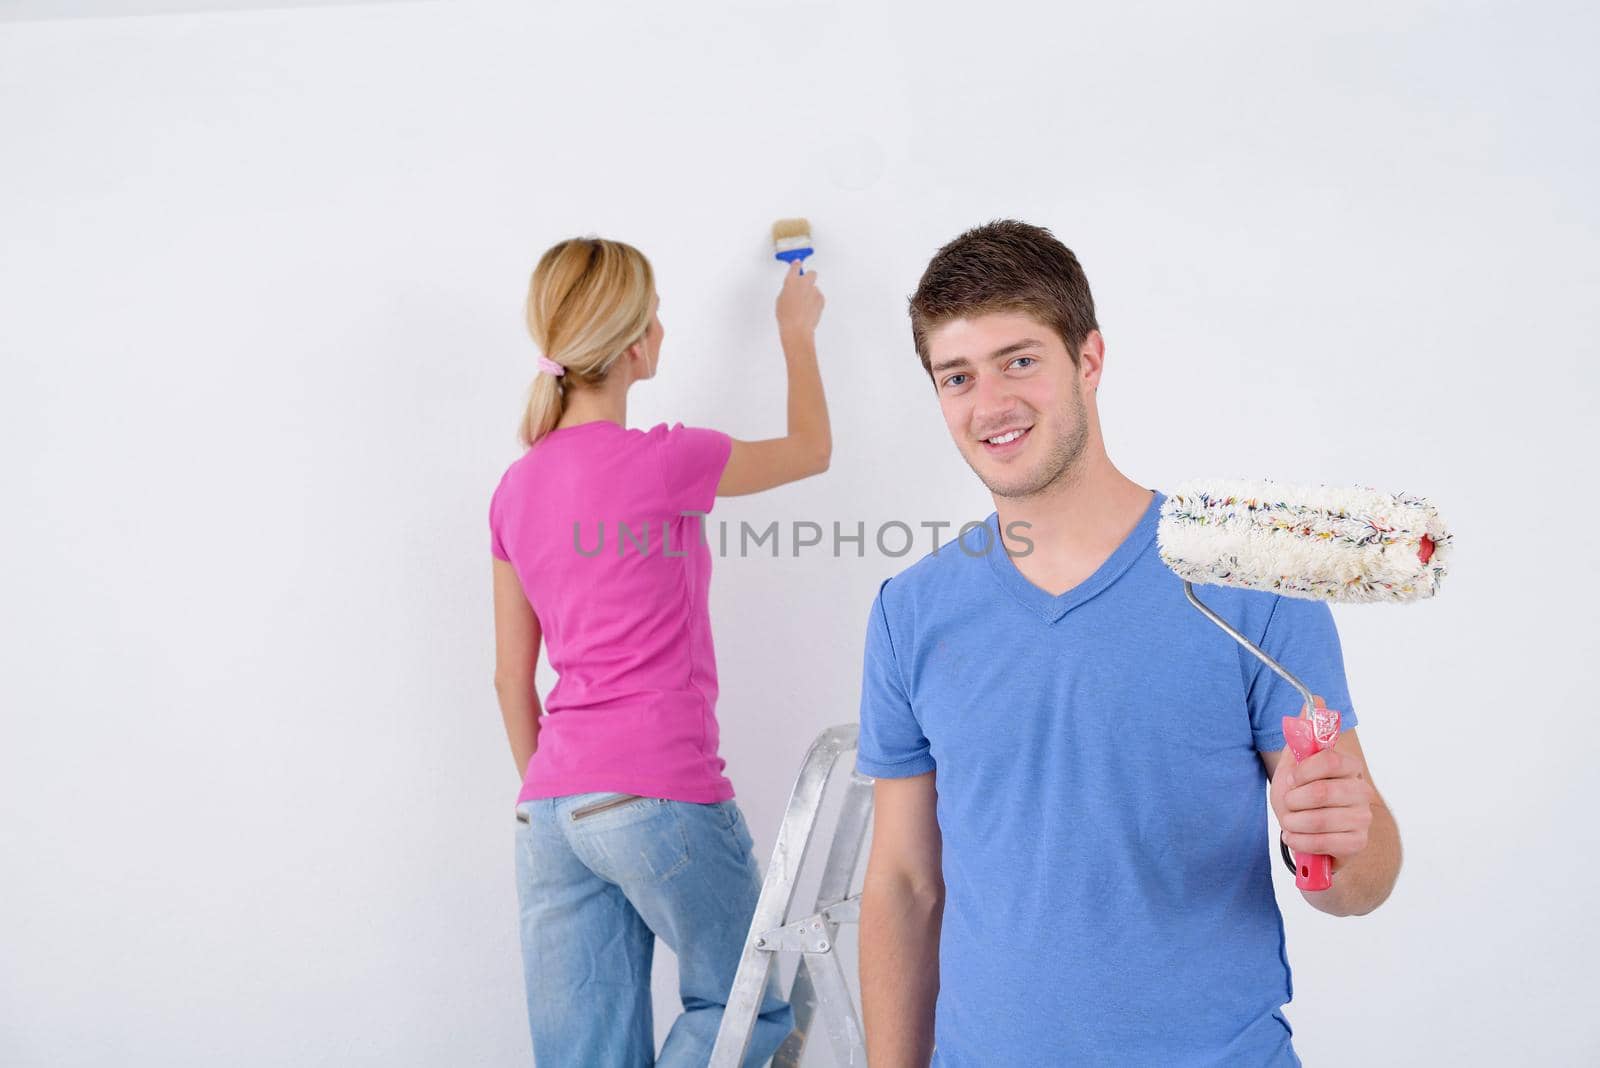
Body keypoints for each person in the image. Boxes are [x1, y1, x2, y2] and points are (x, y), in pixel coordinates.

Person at [855, 220, 1401, 1065]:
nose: (990, 402)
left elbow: (1361, 881)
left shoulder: (1247, 582)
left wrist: (1333, 840)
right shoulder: (910, 612)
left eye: (1020, 359)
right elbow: (903, 884)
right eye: (956, 376)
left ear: (1090, 360)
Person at [489, 237, 828, 1066]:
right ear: (636, 342)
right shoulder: (667, 460)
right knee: (750, 1011)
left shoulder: (514, 487)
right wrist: (796, 332)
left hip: (549, 812)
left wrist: (567, 793)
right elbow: (812, 451)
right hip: (656, 789)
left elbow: (510, 678)